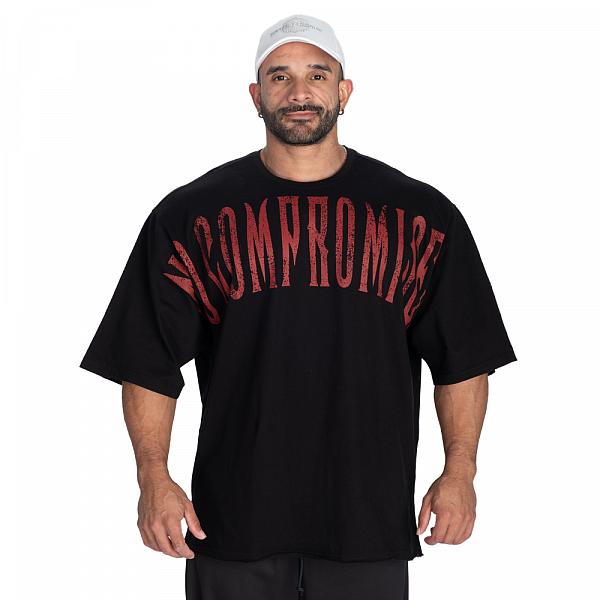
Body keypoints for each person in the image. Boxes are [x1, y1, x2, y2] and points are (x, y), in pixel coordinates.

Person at [79, 13, 517, 600]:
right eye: (280, 77)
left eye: (317, 74)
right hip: (232, 521)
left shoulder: (421, 216)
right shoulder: (191, 215)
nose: (299, 91)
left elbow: (462, 356)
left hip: (368, 521)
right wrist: (153, 478)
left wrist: (460, 471)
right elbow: (146, 359)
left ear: (345, 91)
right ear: (256, 96)